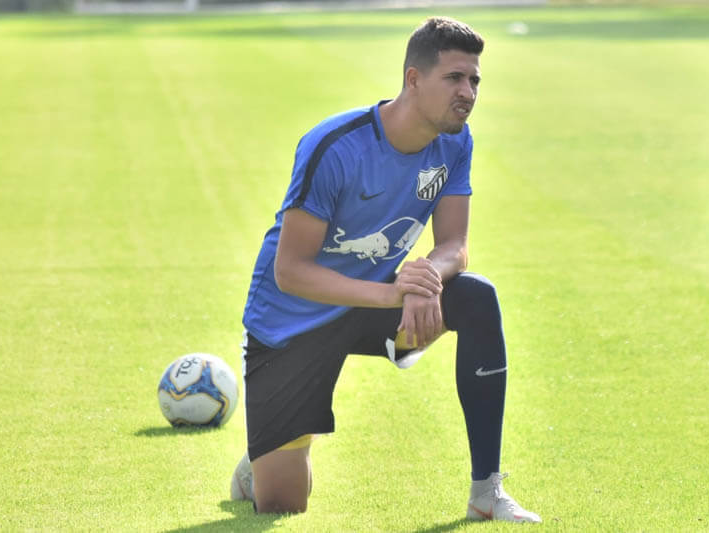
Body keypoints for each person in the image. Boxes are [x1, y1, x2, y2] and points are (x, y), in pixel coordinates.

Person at [230, 16, 542, 523]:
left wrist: (424, 278)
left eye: (474, 80)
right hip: (289, 321)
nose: (468, 93)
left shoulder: (455, 142)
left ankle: (486, 491)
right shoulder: (334, 146)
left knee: (476, 297)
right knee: (282, 504)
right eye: (454, 78)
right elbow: (291, 272)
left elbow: (455, 246)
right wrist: (397, 293)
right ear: (413, 79)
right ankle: (260, 462)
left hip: (378, 301)